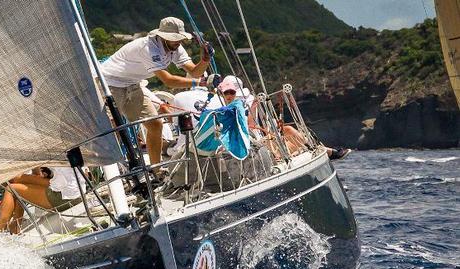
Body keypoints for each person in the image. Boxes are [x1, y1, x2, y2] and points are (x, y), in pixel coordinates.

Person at [101, 17, 219, 167]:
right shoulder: (148, 48)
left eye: (180, 39)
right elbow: (169, 81)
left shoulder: (175, 48)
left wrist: (205, 60)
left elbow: (195, 72)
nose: (178, 42)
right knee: (111, 128)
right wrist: (200, 82)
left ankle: (156, 169)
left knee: (155, 124)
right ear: (162, 36)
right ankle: (111, 168)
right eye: (174, 39)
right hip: (109, 82)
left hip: (132, 84)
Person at [218, 76, 351, 160]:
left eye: (232, 92)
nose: (230, 95)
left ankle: (321, 150)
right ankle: (326, 151)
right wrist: (253, 109)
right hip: (249, 143)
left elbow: (254, 126)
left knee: (288, 129)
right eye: (227, 93)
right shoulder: (224, 108)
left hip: (258, 138)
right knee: (290, 141)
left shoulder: (243, 104)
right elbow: (248, 127)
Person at [0, 167, 83, 234]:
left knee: (11, 188)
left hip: (63, 197)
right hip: (79, 193)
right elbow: (38, 172)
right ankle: (15, 227)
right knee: (17, 180)